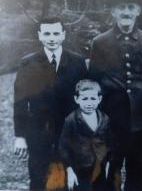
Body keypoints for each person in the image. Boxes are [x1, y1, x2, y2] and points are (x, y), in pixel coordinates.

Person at [90, 2, 142, 191]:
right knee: (109, 167)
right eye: (121, 7)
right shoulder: (100, 42)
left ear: (138, 11)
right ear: (113, 11)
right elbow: (93, 83)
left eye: (131, 7)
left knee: (137, 168)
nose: (126, 12)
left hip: (141, 119)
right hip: (110, 119)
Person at [13, 17, 87, 190]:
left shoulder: (77, 62)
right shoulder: (28, 63)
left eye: (55, 33)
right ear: (40, 36)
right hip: (39, 133)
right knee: (40, 181)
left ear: (63, 35)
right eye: (47, 33)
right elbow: (20, 102)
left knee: (71, 181)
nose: (51, 38)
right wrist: (20, 136)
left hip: (71, 133)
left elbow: (84, 97)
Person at [59, 79, 113, 191]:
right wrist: (69, 170)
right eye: (84, 99)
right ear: (76, 99)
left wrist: (108, 163)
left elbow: (109, 143)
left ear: (99, 99)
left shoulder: (104, 119)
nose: (89, 103)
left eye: (93, 98)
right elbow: (64, 147)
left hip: (100, 167)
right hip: (80, 169)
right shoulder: (71, 120)